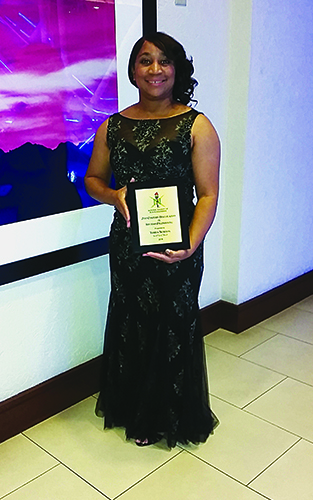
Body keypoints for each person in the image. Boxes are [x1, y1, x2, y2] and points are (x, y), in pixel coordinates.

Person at [84, 32, 220, 448]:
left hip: (179, 245)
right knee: (131, 324)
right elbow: (93, 180)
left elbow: (209, 194)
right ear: (133, 70)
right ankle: (134, 411)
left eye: (164, 61)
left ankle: (171, 415)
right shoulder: (112, 125)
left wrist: (190, 246)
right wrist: (113, 195)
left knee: (173, 324)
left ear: (176, 69)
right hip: (127, 246)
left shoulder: (197, 125)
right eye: (145, 61)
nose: (155, 69)